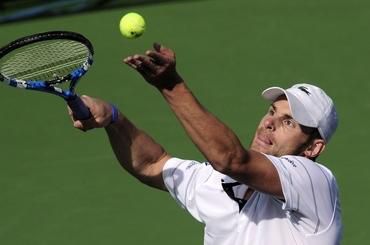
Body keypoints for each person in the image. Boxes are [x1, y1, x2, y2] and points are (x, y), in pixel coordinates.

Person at [70, 43, 342, 245]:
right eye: (272, 112)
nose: (269, 123)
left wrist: (170, 85)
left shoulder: (315, 182)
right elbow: (153, 164)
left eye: (289, 123)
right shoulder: (220, 183)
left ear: (312, 148)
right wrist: (114, 119)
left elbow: (231, 159)